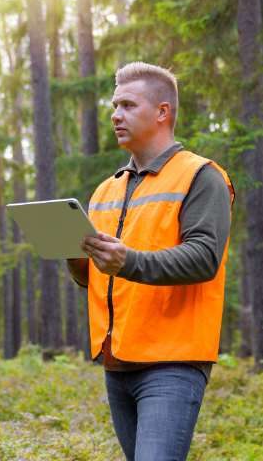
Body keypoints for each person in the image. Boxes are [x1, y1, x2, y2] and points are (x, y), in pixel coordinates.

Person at [66, 62, 235, 461]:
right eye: (114, 105)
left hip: (172, 363)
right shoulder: (105, 189)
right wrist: (74, 255)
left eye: (127, 105)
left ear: (162, 112)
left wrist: (126, 260)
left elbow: (204, 258)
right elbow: (96, 278)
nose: (115, 115)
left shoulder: (201, 176)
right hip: (117, 363)